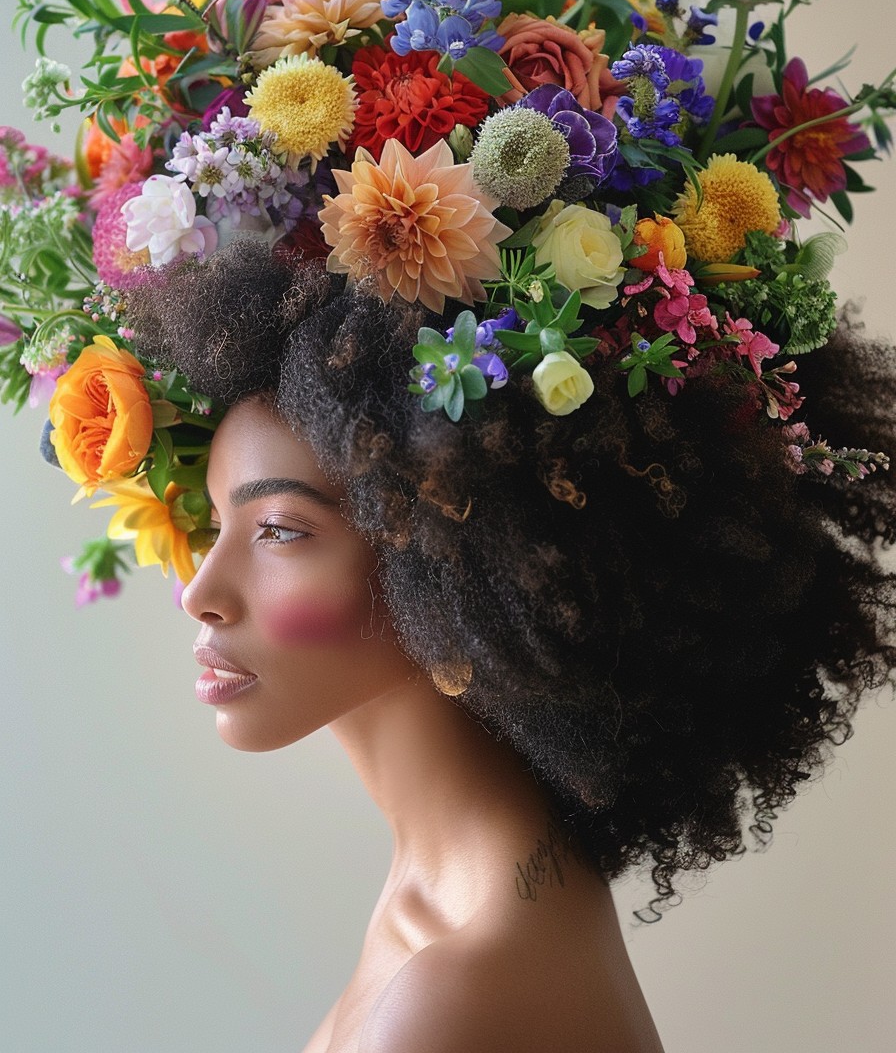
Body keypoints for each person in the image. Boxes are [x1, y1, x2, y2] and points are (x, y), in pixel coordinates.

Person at [128, 237, 896, 1053]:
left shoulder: (455, 989)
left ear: (457, 556)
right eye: (218, 524)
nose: (199, 593)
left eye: (280, 531)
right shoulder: (477, 900)